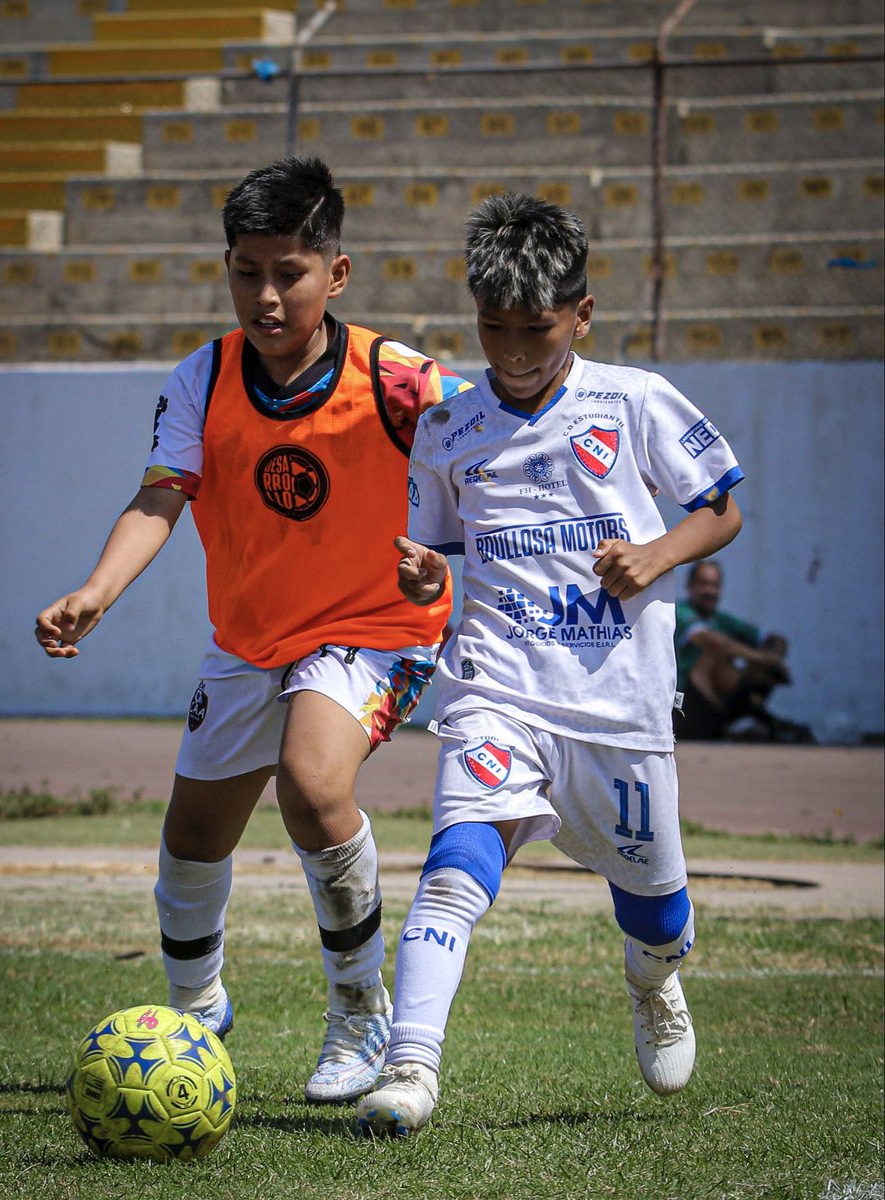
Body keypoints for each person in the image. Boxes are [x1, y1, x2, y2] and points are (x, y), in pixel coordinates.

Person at [34, 157, 473, 1106]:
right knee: (194, 834)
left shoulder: (401, 381)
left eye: (289, 273)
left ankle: (361, 1017)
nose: (266, 296)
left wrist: (444, 558)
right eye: (246, 271)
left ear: (337, 274)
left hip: (379, 629)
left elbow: (491, 476)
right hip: (250, 636)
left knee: (313, 787)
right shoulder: (204, 377)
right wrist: (96, 591)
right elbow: (161, 495)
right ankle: (194, 1013)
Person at [354, 192, 745, 1137]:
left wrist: (656, 555)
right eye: (494, 329)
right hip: (497, 689)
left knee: (657, 919)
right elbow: (435, 560)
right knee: (455, 866)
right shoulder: (449, 428)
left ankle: (654, 983)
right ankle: (409, 1069)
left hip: (618, 707)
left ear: (582, 315)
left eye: (536, 329)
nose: (516, 352)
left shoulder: (634, 400)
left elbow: (722, 506)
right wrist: (421, 578)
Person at [674, 560, 813, 743]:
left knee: (760, 665)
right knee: (716, 655)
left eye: (714, 585)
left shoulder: (722, 620)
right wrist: (763, 659)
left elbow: (774, 639)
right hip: (681, 705)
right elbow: (713, 642)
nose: (709, 591)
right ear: (689, 586)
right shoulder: (680, 613)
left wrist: (773, 658)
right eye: (703, 584)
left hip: (717, 705)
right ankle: (745, 721)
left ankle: (741, 721)